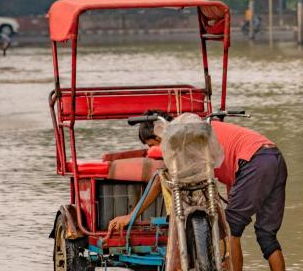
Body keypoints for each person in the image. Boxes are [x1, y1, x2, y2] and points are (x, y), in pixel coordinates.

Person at [105, 110, 288, 271]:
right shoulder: (195, 129)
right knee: (267, 236)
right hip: (274, 157)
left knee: (231, 227)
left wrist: (132, 216)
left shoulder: (184, 138)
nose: (156, 151)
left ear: (160, 135)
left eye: (152, 145)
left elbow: (160, 181)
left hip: (253, 161)